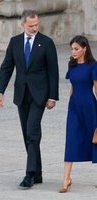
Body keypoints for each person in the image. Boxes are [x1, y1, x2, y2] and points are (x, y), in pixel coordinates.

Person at [0, 9, 59, 189]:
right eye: (31, 25)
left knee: (32, 132)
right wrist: (0, 92)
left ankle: (29, 174)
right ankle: (37, 173)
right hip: (21, 95)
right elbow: (6, 67)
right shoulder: (14, 42)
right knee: (27, 134)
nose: (34, 28)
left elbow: (53, 72)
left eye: (37, 24)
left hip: (40, 95)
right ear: (22, 24)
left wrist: (53, 97)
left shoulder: (46, 43)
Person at [59, 35, 97, 193]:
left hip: (90, 107)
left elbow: (96, 89)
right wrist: (70, 103)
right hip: (74, 108)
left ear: (84, 49)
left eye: (76, 49)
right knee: (71, 140)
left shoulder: (93, 66)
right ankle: (66, 179)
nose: (73, 52)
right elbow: (72, 87)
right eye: (72, 49)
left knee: (95, 141)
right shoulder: (72, 65)